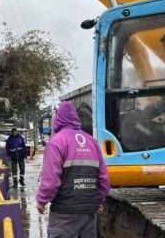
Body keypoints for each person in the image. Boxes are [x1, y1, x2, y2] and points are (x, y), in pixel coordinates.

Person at [37, 101, 110, 238]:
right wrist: (98, 200)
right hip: (88, 213)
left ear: (58, 119)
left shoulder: (56, 142)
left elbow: (51, 180)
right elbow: (104, 179)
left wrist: (42, 200)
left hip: (64, 214)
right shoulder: (92, 142)